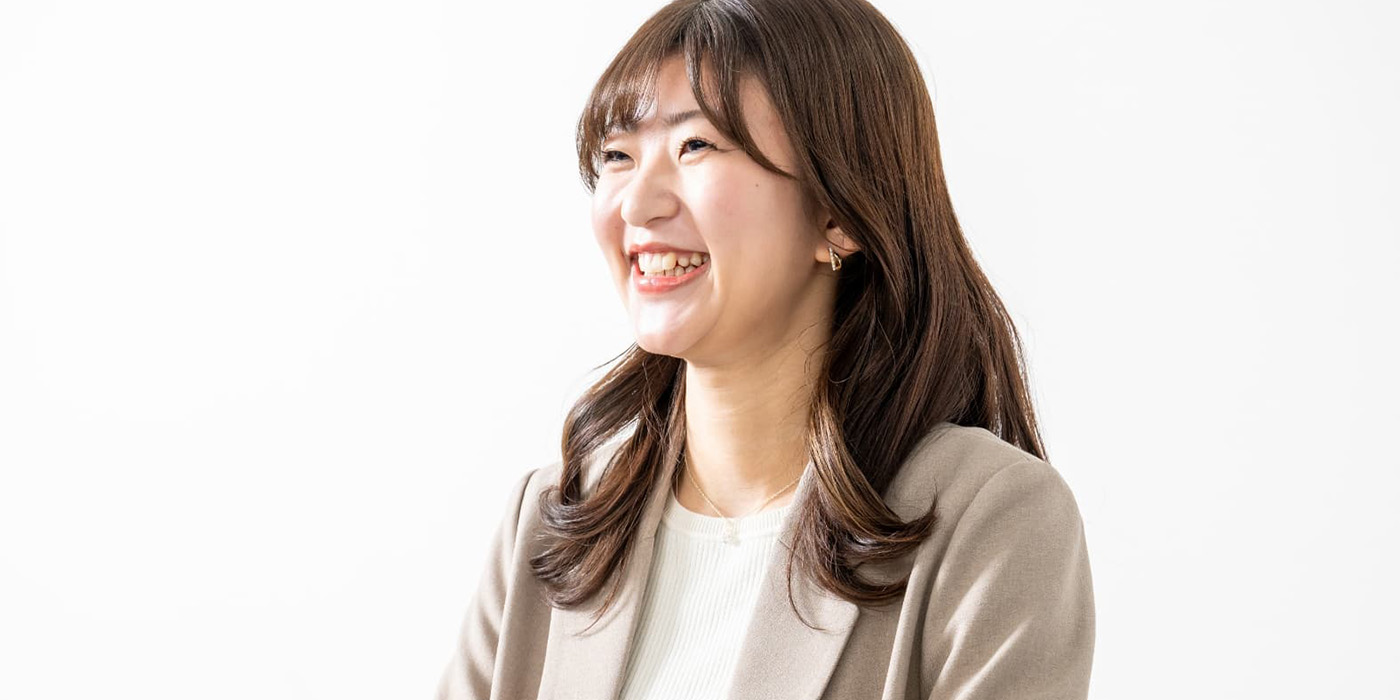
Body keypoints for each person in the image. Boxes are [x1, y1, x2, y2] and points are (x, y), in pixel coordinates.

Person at [436, 0, 1095, 698]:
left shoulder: (989, 518)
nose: (635, 205)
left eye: (696, 146)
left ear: (839, 214)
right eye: (618, 156)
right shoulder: (553, 522)